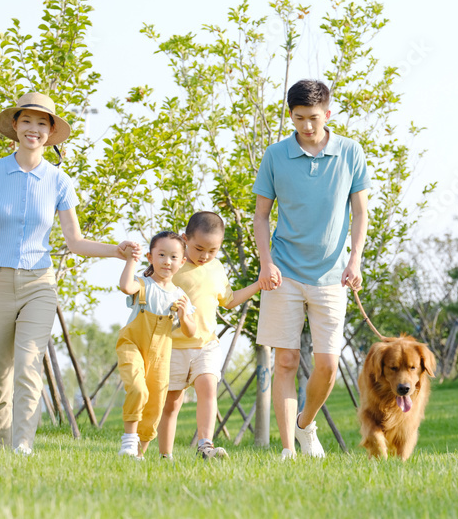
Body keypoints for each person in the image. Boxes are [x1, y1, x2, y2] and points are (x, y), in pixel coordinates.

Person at [0, 92, 136, 455]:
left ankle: (23, 447)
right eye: (27, 121)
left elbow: (75, 240)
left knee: (27, 365)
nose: (33, 129)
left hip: (39, 283)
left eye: (42, 123)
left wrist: (115, 251)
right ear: (15, 127)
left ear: (51, 131)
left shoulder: (58, 181)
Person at [252, 79, 370, 459]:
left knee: (328, 366)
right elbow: (261, 215)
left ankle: (305, 425)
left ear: (328, 114)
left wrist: (355, 259)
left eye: (313, 118)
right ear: (290, 115)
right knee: (284, 361)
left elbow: (360, 212)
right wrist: (266, 262)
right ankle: (287, 450)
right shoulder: (275, 155)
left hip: (332, 275)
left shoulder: (350, 152)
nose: (306, 126)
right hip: (283, 271)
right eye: (299, 118)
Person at [155, 211, 262, 460]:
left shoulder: (216, 268)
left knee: (208, 388)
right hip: (173, 346)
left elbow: (230, 300)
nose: (205, 256)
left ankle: (206, 446)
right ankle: (165, 455)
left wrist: (258, 284)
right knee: (172, 403)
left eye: (212, 250)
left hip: (206, 344)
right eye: (199, 248)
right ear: (185, 239)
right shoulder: (173, 266)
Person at [117, 231, 195, 460]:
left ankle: (139, 454)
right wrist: (131, 260)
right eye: (161, 255)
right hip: (132, 345)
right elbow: (125, 286)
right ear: (150, 257)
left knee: (155, 404)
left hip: (161, 356)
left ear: (182, 262)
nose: (166, 261)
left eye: (173, 257)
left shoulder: (181, 297)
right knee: (138, 389)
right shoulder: (142, 285)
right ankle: (129, 441)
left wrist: (184, 315)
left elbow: (190, 332)